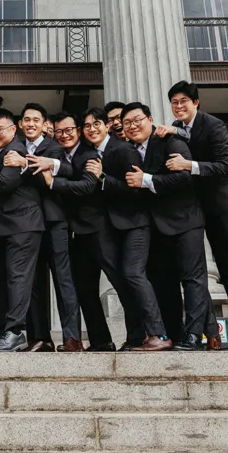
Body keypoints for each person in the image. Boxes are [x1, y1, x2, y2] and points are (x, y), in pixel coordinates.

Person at [159, 80, 228, 351]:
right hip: (205, 208)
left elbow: (225, 167)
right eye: (174, 102)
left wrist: (188, 165)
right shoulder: (178, 128)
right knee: (227, 272)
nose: (178, 106)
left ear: (195, 102)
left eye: (183, 101)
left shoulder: (213, 125)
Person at [118, 102, 219, 351]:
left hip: (186, 220)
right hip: (158, 227)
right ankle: (198, 333)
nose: (132, 126)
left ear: (150, 119)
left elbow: (184, 177)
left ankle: (196, 337)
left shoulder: (168, 141)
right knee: (167, 283)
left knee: (193, 279)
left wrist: (147, 180)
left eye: (137, 120)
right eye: (127, 123)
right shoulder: (129, 150)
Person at [85, 107, 172, 352]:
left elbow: (135, 188)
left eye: (96, 124)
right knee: (122, 282)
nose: (92, 129)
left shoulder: (122, 149)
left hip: (136, 223)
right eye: (87, 126)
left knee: (133, 273)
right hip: (113, 228)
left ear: (107, 126)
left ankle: (159, 333)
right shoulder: (90, 153)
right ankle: (136, 336)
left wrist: (103, 178)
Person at [7, 102, 81, 352]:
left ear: (43, 124)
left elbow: (71, 170)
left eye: (35, 120)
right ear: (20, 124)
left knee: (64, 279)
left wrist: (48, 164)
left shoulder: (55, 147)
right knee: (34, 282)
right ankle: (40, 338)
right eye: (26, 120)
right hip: (27, 226)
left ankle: (72, 337)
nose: (30, 124)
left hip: (54, 222)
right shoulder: (14, 147)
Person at [0, 108, 44, 352]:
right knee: (3, 282)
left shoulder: (15, 150)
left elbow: (5, 183)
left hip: (23, 226)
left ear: (13, 130)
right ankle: (4, 332)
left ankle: (16, 332)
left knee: (17, 279)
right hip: (4, 228)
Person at [46, 112, 115, 351]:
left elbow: (87, 185)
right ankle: (101, 341)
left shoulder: (88, 154)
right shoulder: (58, 152)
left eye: (69, 130)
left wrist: (53, 183)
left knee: (120, 280)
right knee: (85, 289)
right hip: (77, 233)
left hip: (98, 228)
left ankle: (140, 336)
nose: (64, 135)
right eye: (59, 132)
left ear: (78, 130)